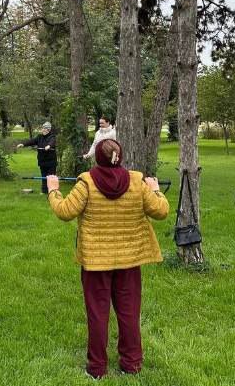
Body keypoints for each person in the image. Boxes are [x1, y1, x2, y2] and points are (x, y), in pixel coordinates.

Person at [46, 139, 169, 379]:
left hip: (95, 262)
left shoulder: (87, 182)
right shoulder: (137, 180)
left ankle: (97, 368)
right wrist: (155, 188)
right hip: (130, 260)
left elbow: (65, 211)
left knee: (97, 314)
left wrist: (53, 189)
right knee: (129, 312)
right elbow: (161, 210)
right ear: (119, 156)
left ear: (97, 158)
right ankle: (131, 364)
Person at [16, 121, 56, 193]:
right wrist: (23, 144)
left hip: (51, 162)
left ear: (48, 130)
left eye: (45, 128)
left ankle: (52, 192)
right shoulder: (39, 137)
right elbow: (32, 141)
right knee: (43, 177)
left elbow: (52, 142)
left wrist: (49, 146)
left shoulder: (52, 137)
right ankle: (44, 191)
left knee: (50, 177)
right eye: (43, 128)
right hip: (42, 161)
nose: (43, 130)